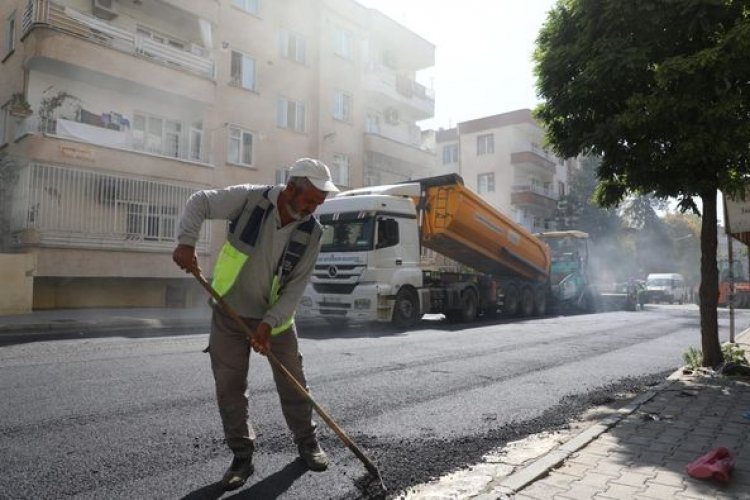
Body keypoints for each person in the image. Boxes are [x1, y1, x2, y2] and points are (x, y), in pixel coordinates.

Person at [172, 158, 339, 491]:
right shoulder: (250, 200)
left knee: (294, 383)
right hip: (229, 311)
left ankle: (307, 442)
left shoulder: (312, 232)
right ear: (292, 188)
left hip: (275, 320)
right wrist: (186, 241)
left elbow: (294, 288)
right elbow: (200, 202)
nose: (313, 209)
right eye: (310, 201)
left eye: (319, 204)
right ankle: (242, 457)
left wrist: (269, 323)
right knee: (230, 387)